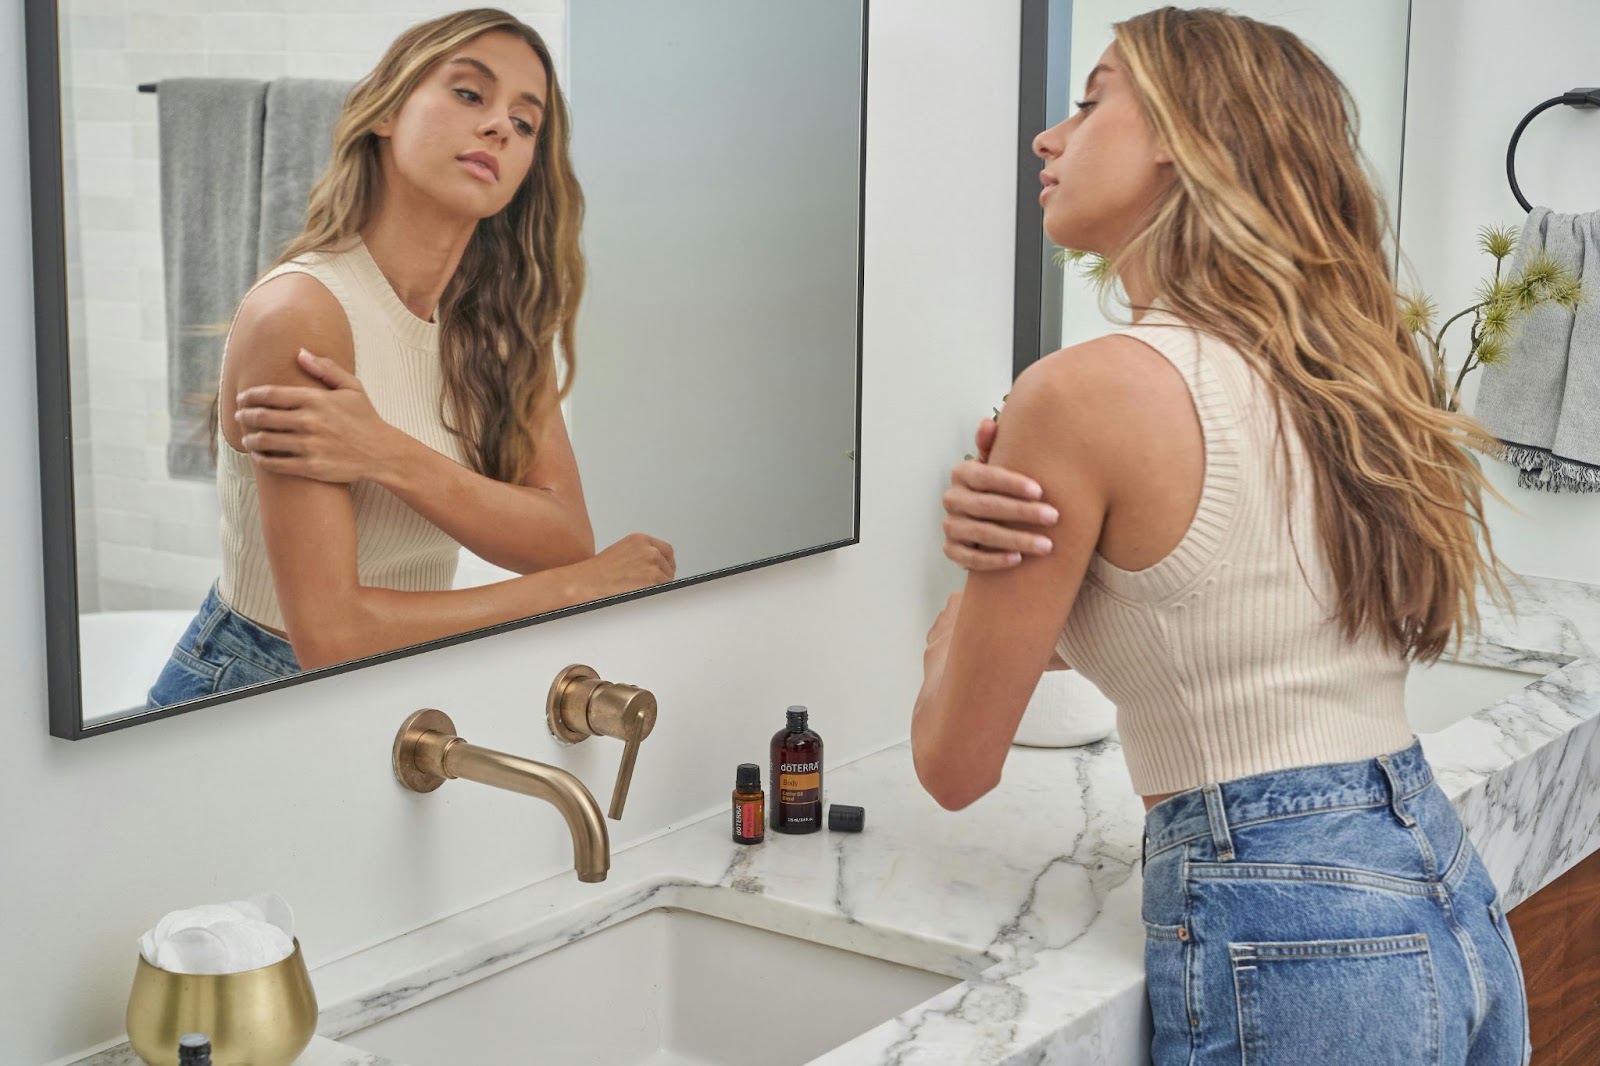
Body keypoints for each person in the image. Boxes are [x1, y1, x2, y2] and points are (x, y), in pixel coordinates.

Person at [913, 8, 1532, 1064]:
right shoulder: (1346, 379)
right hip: (1439, 886)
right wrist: (1045, 580)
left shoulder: (1082, 391)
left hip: (1287, 922)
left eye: (1089, 97)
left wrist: (974, 575)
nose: (1046, 138)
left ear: (1180, 134)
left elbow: (952, 760)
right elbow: (1201, 626)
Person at [147, 9, 674, 708]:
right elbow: (330, 635)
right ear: (389, 110)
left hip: (403, 679)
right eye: (468, 94)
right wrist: (578, 591)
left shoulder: (501, 327)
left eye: (525, 122)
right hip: (256, 682)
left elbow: (562, 538)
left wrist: (384, 453)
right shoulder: (304, 315)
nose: (498, 127)